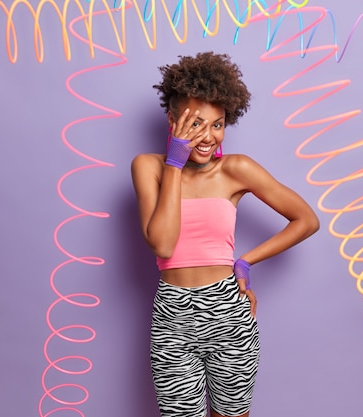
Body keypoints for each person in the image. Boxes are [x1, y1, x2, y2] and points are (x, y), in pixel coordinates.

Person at [131, 51, 320, 417]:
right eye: (195, 124)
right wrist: (174, 161)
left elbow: (306, 220)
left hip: (228, 313)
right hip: (173, 317)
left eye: (217, 125)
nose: (207, 137)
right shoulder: (148, 167)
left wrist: (246, 261)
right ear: (172, 121)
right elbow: (163, 243)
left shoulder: (236, 170)